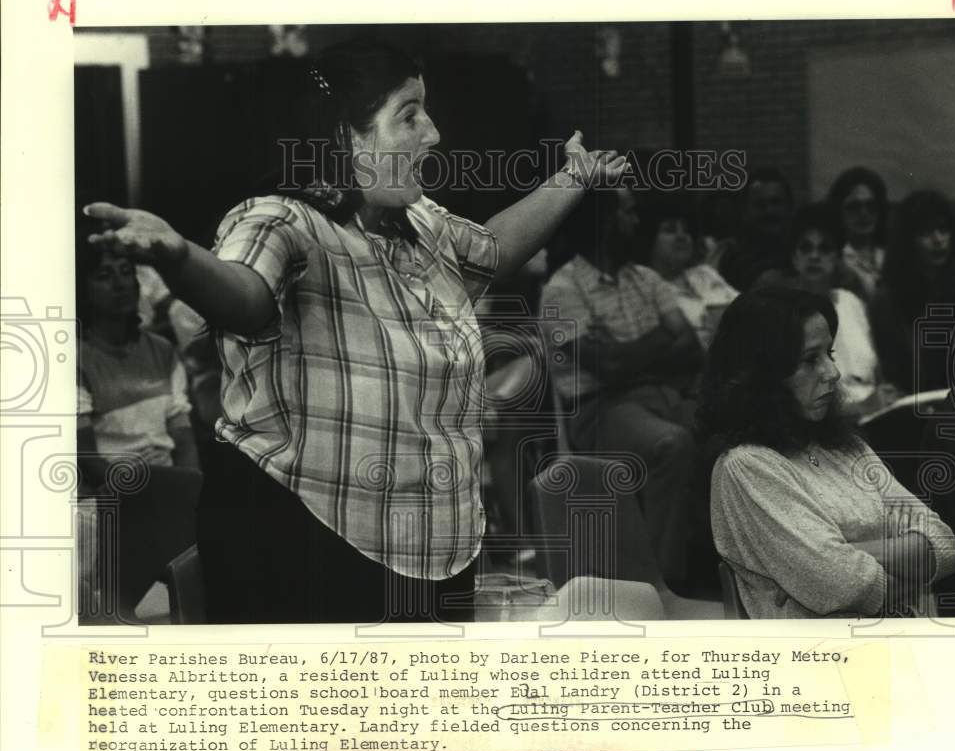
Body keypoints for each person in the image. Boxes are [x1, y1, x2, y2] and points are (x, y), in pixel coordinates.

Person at [83, 37, 627, 624]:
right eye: (409, 114)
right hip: (308, 546)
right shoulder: (282, 220)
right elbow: (243, 296)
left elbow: (495, 249)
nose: (433, 133)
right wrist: (178, 257)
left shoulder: (421, 224)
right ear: (348, 135)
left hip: (432, 552)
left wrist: (575, 178)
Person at [699, 286, 955, 618]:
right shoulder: (747, 468)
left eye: (829, 355)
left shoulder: (844, 446)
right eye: (810, 360)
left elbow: (946, 545)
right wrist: (914, 565)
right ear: (762, 376)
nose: (833, 373)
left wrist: (851, 552)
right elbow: (844, 585)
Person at [540, 186, 704, 590]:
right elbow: (606, 367)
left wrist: (620, 349)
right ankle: (662, 585)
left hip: (659, 395)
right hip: (599, 412)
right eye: (627, 213)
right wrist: (658, 339)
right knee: (672, 445)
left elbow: (692, 349)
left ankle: (715, 566)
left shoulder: (645, 278)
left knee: (728, 434)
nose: (635, 222)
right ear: (602, 221)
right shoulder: (561, 290)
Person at [76, 234, 200, 493]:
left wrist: (188, 491)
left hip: (167, 489)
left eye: (125, 272)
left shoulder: (162, 350)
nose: (120, 283)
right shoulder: (75, 362)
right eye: (104, 276)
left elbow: (183, 438)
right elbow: (86, 459)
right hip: (110, 499)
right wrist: (145, 488)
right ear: (83, 292)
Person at [786, 203, 898, 415]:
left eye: (825, 248)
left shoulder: (851, 302)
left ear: (837, 257)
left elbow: (878, 377)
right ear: (794, 257)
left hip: (875, 416)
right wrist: (861, 408)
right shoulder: (785, 312)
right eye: (806, 247)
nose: (815, 256)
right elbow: (797, 403)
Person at [869, 190, 955, 395]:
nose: (938, 240)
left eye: (944, 230)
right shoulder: (887, 300)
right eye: (926, 232)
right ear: (907, 240)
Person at [638, 192, 739, 351]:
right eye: (670, 230)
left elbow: (746, 309)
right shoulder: (645, 289)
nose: (682, 236)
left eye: (685, 230)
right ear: (649, 240)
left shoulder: (704, 273)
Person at [715, 167, 794, 292]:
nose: (769, 211)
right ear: (745, 212)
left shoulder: (800, 248)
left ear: (789, 208)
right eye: (760, 204)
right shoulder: (734, 258)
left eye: (776, 202)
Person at [826, 166, 889, 304]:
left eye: (871, 206)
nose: (863, 213)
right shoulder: (833, 260)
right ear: (839, 211)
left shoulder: (891, 255)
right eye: (854, 207)